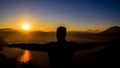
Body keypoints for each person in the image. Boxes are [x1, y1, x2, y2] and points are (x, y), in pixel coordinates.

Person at [9, 26, 106, 68]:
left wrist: (14, 45)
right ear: (65, 34)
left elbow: (32, 46)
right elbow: (87, 45)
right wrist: (102, 43)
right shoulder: (71, 46)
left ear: (56, 34)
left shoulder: (51, 46)